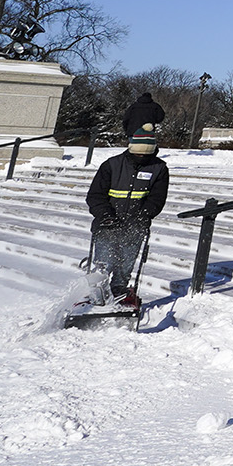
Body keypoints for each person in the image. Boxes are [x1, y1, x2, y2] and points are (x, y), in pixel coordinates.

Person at [84, 94, 171, 309]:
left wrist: (144, 215)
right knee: (102, 267)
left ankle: (120, 296)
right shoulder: (111, 165)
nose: (141, 159)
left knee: (124, 268)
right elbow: (95, 196)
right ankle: (94, 299)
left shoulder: (159, 168)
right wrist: (105, 216)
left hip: (135, 226)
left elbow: (157, 198)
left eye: (146, 156)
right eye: (137, 156)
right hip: (107, 225)